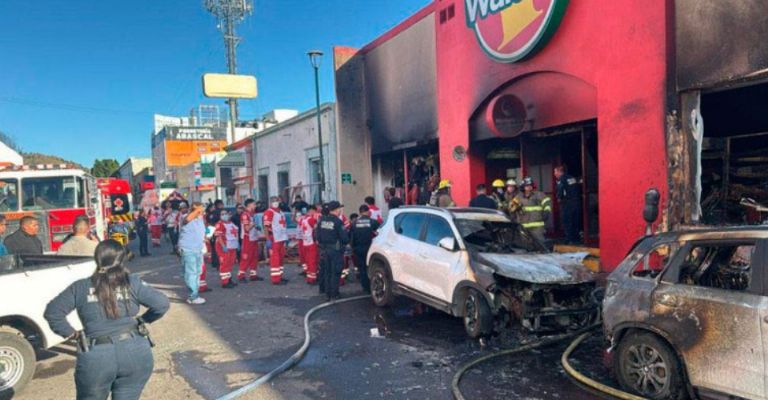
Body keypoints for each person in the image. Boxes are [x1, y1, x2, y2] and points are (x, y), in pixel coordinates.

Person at [43, 240, 169, 400]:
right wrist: (143, 320)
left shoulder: (80, 286)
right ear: (122, 260)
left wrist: (71, 334)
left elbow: (53, 312)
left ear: (97, 259)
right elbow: (162, 304)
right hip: (135, 352)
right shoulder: (132, 283)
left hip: (97, 356)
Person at [316, 201, 349, 301]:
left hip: (324, 250)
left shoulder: (321, 220)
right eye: (339, 208)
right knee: (336, 272)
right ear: (336, 209)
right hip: (335, 250)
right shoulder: (338, 222)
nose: (340, 210)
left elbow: (317, 236)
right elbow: (344, 238)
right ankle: (334, 294)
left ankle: (327, 293)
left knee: (327, 271)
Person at [178, 202, 207, 304]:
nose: (203, 212)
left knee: (198, 272)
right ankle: (193, 297)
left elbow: (201, 232)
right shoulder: (185, 217)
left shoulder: (200, 219)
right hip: (188, 249)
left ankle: (195, 293)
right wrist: (197, 210)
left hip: (198, 249)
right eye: (201, 210)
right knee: (191, 273)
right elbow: (187, 220)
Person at [350, 205, 380, 293]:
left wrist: (353, 248)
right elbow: (380, 232)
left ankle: (365, 287)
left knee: (362, 268)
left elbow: (351, 237)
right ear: (368, 212)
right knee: (371, 267)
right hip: (370, 248)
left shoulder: (354, 223)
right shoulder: (373, 222)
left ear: (360, 212)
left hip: (358, 248)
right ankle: (373, 285)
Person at [513, 177, 552, 243]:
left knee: (540, 243)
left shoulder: (539, 194)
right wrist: (515, 208)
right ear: (523, 187)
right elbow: (511, 207)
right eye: (527, 186)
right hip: (524, 226)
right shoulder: (518, 197)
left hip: (537, 225)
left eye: (530, 185)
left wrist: (547, 211)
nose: (529, 187)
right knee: (526, 244)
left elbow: (547, 202)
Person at [263, 196, 288, 285]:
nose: (275, 202)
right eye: (273, 201)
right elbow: (266, 227)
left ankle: (280, 276)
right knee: (275, 259)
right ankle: (276, 279)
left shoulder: (280, 212)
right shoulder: (269, 212)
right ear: (270, 202)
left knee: (281, 258)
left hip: (281, 238)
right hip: (274, 238)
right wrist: (267, 239)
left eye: (277, 200)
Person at [554, 165, 582, 244]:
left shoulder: (561, 180)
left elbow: (560, 190)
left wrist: (559, 198)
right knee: (575, 221)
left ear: (560, 172)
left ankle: (569, 239)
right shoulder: (572, 178)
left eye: (555, 172)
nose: (554, 174)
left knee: (567, 221)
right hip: (576, 203)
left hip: (567, 204)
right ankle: (576, 239)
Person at [214, 210, 239, 289]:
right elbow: (219, 236)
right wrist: (223, 246)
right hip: (224, 246)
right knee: (224, 263)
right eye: (222, 214)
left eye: (225, 213)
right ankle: (225, 282)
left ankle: (229, 279)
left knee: (230, 263)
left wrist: (237, 244)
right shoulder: (219, 224)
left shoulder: (231, 223)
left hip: (232, 246)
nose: (224, 215)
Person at [239, 199, 262, 282]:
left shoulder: (253, 215)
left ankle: (253, 275)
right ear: (249, 205)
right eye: (254, 204)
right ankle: (241, 275)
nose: (255, 206)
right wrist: (252, 225)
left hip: (254, 238)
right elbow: (247, 229)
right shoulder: (245, 215)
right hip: (247, 238)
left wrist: (257, 227)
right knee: (246, 257)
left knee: (254, 256)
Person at [299, 206, 319, 284]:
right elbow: (316, 229)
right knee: (313, 262)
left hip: (305, 243)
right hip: (311, 243)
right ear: (311, 211)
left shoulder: (303, 219)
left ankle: (310, 277)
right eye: (314, 211)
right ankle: (312, 279)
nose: (315, 213)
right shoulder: (311, 219)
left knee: (308, 261)